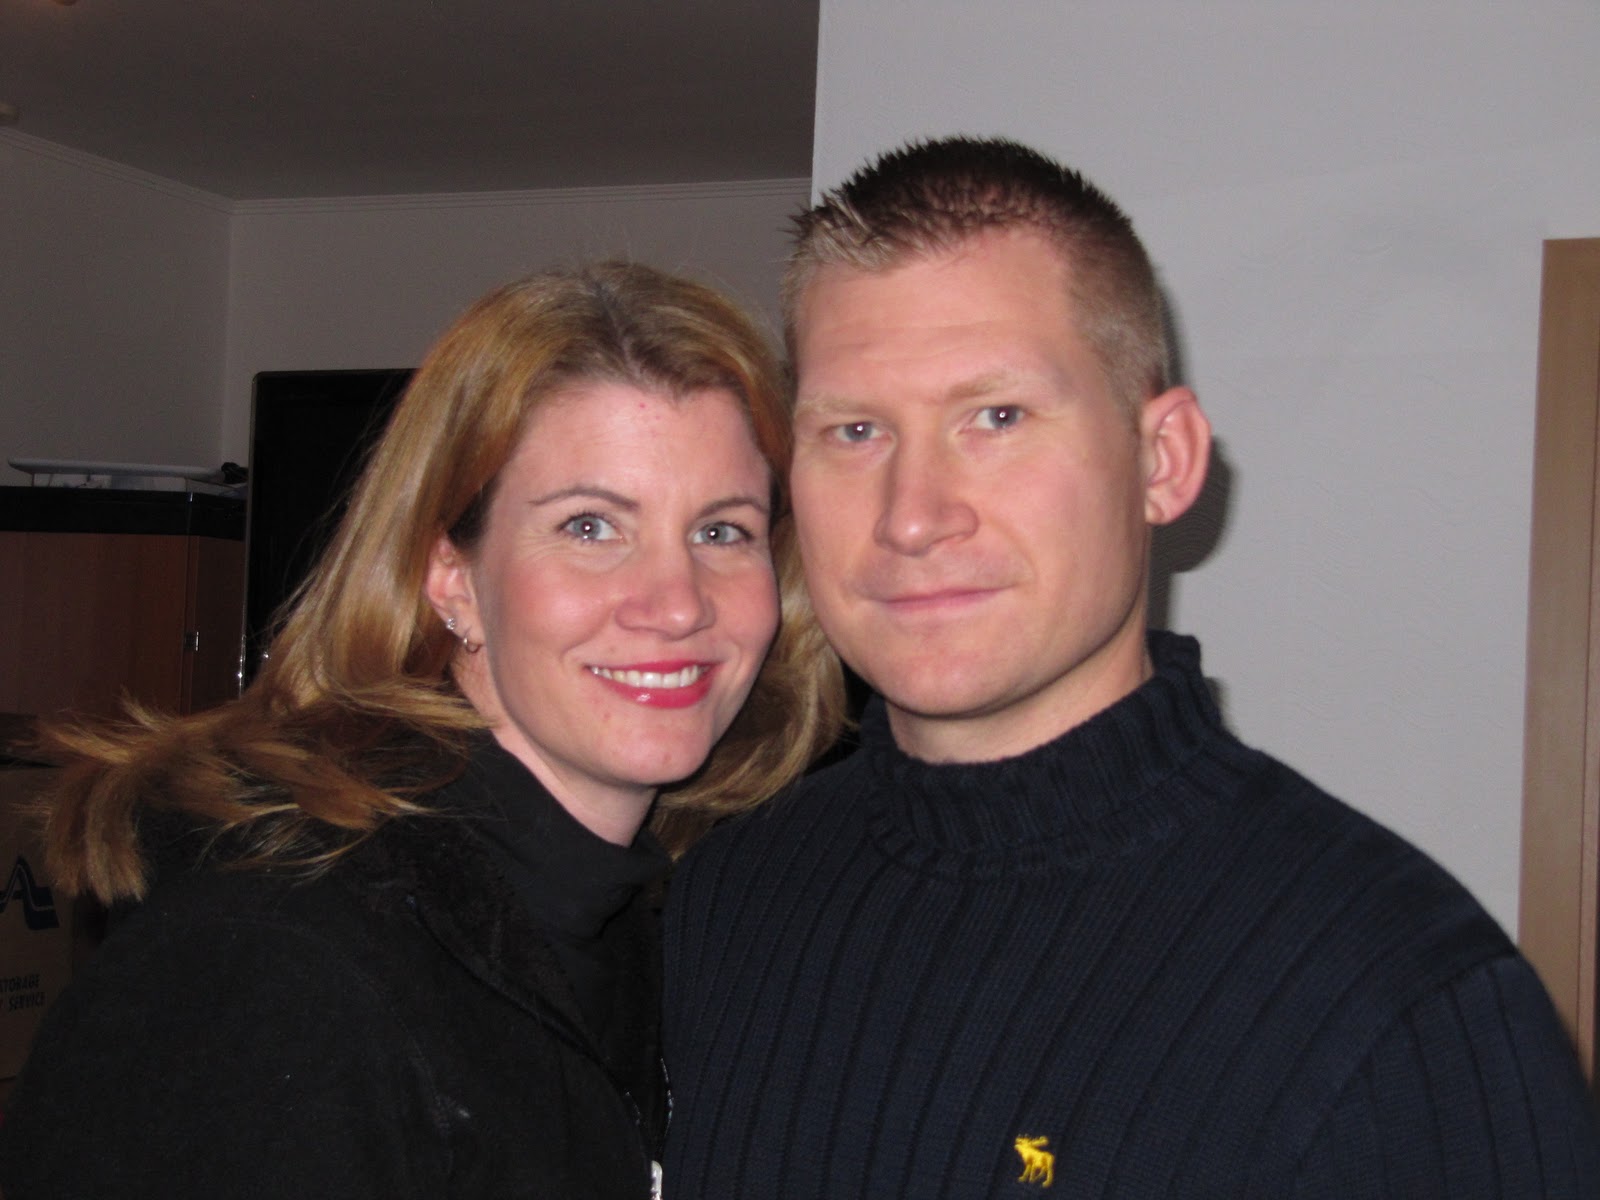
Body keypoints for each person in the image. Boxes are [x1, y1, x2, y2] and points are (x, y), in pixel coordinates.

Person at [661, 137, 1600, 1197]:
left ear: (1163, 460)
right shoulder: (730, 900)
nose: (913, 516)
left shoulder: (1407, 1007)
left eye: (997, 417)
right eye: (856, 430)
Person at [0, 261, 841, 1199]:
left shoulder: (647, 932)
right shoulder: (267, 969)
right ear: (451, 577)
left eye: (722, 532)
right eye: (591, 527)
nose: (677, 604)